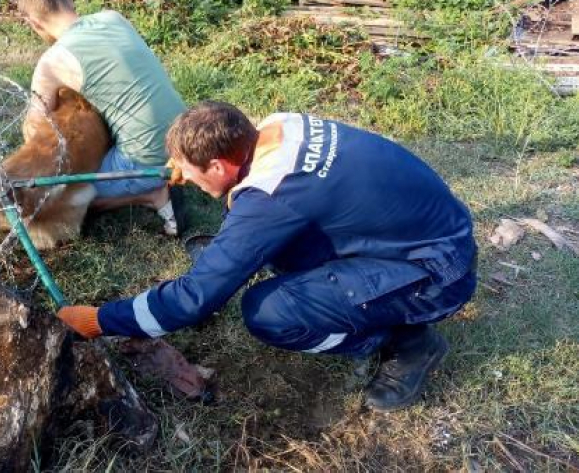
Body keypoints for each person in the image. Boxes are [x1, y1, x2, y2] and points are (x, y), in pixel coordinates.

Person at [56, 101, 477, 412]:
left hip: (436, 275)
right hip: (428, 236)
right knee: (257, 235)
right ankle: (247, 262)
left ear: (219, 165)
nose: (181, 176)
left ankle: (406, 342)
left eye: (189, 168)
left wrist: (98, 320)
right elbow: (260, 202)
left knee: (270, 313)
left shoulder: (273, 197)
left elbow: (192, 299)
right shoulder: (276, 128)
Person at [16, 0, 187, 235]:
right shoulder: (113, 18)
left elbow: (34, 127)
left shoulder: (52, 63)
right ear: (69, 0)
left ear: (34, 23)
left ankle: (152, 194)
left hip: (151, 160)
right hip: (186, 136)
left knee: (62, 199)